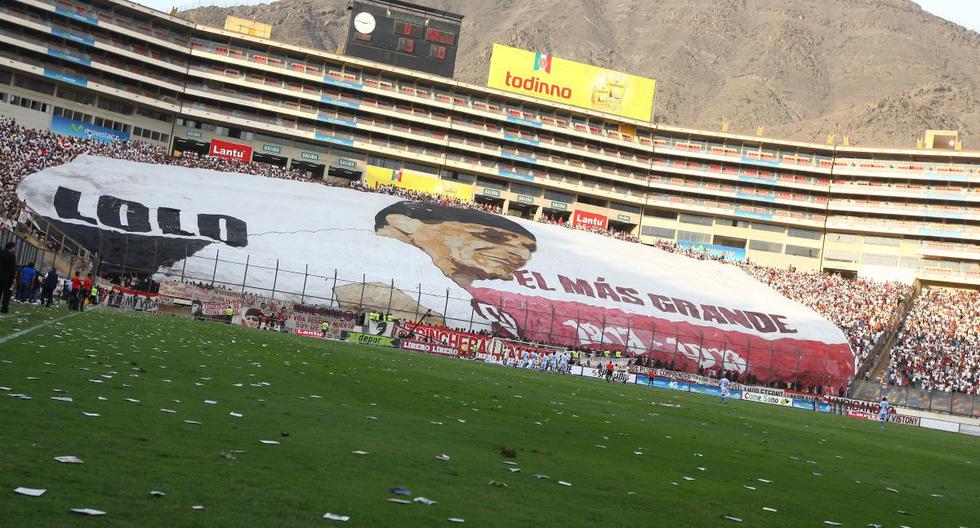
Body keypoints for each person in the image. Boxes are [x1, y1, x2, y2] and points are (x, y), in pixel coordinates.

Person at [0, 242, 15, 314]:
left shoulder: (1, 253)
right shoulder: (12, 256)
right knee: (7, 294)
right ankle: (4, 308)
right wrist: (13, 278)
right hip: (8, 278)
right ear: (12, 247)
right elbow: (12, 268)